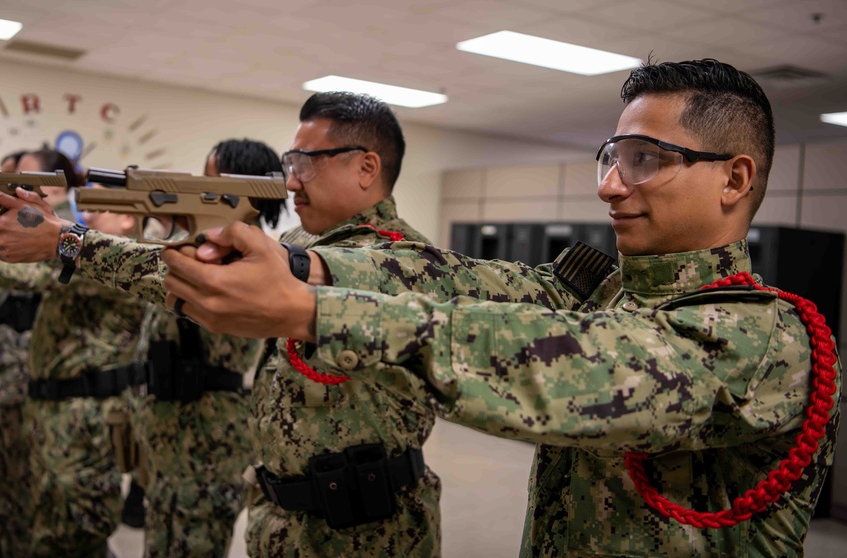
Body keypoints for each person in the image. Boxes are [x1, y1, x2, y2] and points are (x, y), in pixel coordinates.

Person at [160, 59, 842, 557]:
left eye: (645, 159)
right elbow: (453, 281)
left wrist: (314, 313)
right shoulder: (607, 294)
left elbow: (568, 370)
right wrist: (305, 264)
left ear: (735, 177)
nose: (610, 185)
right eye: (612, 156)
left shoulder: (767, 338)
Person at [0, 93, 444, 556]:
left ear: (366, 168)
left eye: (306, 162)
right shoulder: (301, 241)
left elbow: (197, 282)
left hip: (364, 523)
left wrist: (70, 241)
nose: (292, 181)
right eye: (290, 162)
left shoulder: (401, 259)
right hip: (281, 504)